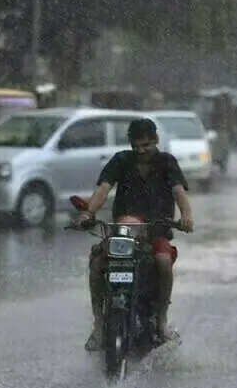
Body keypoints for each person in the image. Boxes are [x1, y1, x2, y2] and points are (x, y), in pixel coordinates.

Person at [72, 118, 194, 351]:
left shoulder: (167, 162)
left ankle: (161, 320)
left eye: (146, 145)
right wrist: (88, 213)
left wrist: (186, 216)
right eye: (136, 146)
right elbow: (103, 189)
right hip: (123, 234)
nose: (141, 151)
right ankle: (98, 325)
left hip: (156, 231)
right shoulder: (121, 160)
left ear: (156, 141)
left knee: (163, 261)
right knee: (98, 263)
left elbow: (179, 192)